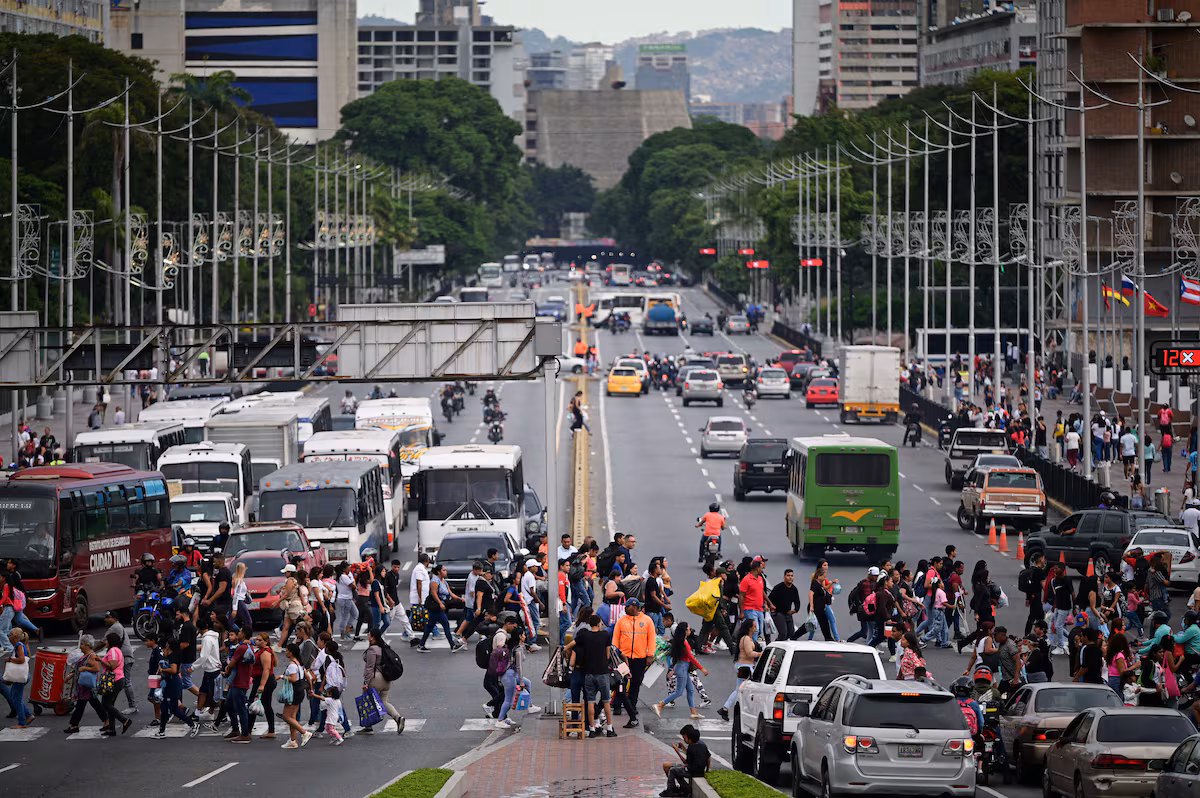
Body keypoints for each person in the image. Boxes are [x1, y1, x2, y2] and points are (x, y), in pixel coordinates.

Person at [571, 613, 617, 737]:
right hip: (602, 672)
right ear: (598, 623)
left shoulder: (585, 636)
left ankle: (591, 729)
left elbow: (571, 645)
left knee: (590, 701)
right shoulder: (605, 635)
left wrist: (565, 650)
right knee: (606, 701)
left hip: (589, 674)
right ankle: (609, 729)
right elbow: (608, 655)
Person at [612, 598, 656, 728]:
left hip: (640, 657)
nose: (625, 608)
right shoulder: (621, 621)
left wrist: (650, 655)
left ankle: (632, 705)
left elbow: (651, 639)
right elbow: (615, 639)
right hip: (623, 658)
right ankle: (617, 706)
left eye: (627, 606)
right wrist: (615, 656)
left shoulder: (647, 621)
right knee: (620, 682)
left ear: (635, 607)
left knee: (636, 682)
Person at [652, 622, 708, 720]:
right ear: (685, 631)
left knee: (690, 690)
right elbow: (691, 657)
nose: (690, 631)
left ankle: (693, 713)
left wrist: (673, 669)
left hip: (681, 668)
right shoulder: (684, 643)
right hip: (682, 668)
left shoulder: (680, 641)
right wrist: (701, 668)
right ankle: (660, 705)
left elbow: (676, 657)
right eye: (689, 629)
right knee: (679, 692)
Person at [153, 636, 200, 739]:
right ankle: (162, 731)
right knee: (164, 708)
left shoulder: (173, 656)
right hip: (170, 683)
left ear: (169, 645)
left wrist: (162, 670)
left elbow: (174, 670)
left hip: (174, 684)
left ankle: (192, 724)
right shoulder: (170, 655)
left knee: (173, 709)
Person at [362, 627, 407, 734]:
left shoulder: (373, 650)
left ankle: (368, 726)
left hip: (375, 679)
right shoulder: (385, 647)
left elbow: (370, 667)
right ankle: (398, 718)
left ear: (372, 637)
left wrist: (366, 682)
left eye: (369, 635)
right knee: (384, 702)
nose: (368, 637)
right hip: (387, 680)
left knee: (367, 700)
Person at [716, 619, 761, 723]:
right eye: (754, 626)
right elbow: (749, 653)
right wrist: (760, 654)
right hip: (745, 667)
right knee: (744, 690)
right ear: (749, 628)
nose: (756, 628)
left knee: (740, 690)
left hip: (745, 666)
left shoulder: (748, 638)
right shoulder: (746, 639)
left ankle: (726, 709)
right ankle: (727, 709)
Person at [417, 563, 464, 652]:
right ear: (439, 572)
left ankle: (421, 644)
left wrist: (460, 599)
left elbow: (450, 593)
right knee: (445, 624)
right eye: (444, 570)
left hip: (439, 606)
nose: (446, 572)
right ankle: (453, 645)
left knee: (430, 626)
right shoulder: (435, 581)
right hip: (435, 606)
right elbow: (433, 593)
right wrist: (440, 604)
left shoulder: (444, 582)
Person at [661, 724, 710, 798]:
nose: (684, 739)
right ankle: (683, 788)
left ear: (689, 738)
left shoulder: (691, 747)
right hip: (699, 770)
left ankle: (671, 790)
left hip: (691, 770)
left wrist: (677, 751)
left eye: (684, 737)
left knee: (673, 770)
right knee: (676, 770)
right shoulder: (701, 745)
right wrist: (707, 770)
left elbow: (686, 762)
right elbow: (708, 758)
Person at [279, 642, 311, 749]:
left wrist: (282, 677)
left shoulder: (292, 665)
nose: (286, 652)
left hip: (293, 692)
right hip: (299, 691)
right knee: (292, 717)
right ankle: (293, 741)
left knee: (286, 716)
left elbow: (293, 679)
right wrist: (310, 689)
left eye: (287, 651)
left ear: (291, 652)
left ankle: (304, 732)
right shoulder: (299, 664)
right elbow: (308, 677)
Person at [769, 568, 802, 641]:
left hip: (788, 613)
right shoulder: (778, 588)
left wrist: (795, 610)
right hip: (778, 613)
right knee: (783, 633)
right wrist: (771, 606)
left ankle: (781, 644)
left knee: (791, 633)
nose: (790, 577)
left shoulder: (794, 589)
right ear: (784, 577)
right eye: (788, 575)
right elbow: (769, 599)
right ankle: (775, 645)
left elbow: (797, 602)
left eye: (792, 576)